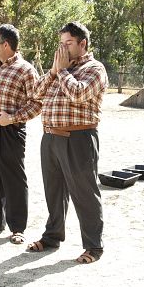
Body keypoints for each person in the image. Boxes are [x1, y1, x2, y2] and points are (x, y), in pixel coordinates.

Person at [26, 21, 108, 264]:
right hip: (50, 137)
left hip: (79, 138)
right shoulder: (59, 69)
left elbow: (79, 94)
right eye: (61, 43)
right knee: (54, 192)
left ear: (83, 44)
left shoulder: (95, 69)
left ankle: (94, 246)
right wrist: (54, 71)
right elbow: (35, 93)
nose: (63, 48)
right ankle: (52, 237)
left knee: (85, 194)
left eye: (68, 43)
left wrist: (61, 72)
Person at [0, 24, 41, 244]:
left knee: (14, 178)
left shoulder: (26, 70)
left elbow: (37, 103)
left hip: (10, 130)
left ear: (6, 44)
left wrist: (12, 118)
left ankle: (18, 227)